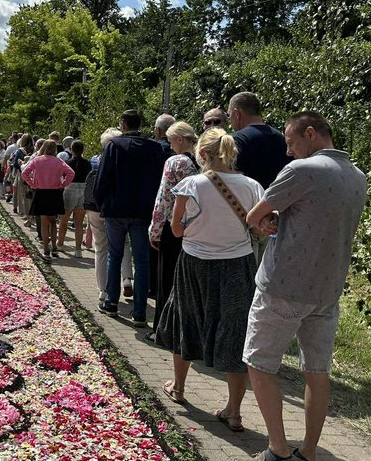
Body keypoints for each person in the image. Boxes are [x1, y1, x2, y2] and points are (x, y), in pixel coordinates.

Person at [232, 112, 367, 461]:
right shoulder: (358, 177)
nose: (289, 154)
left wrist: (264, 223)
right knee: (317, 371)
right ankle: (307, 453)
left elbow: (255, 216)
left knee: (259, 363)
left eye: (291, 144)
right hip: (328, 289)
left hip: (284, 284)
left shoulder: (303, 170)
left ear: (310, 134)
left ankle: (277, 451)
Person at [155, 127, 263, 432]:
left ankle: (178, 386)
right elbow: (259, 225)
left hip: (195, 264)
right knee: (234, 327)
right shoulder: (252, 185)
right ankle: (234, 411)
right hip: (237, 265)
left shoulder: (191, 184)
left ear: (201, 154)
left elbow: (176, 230)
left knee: (186, 319)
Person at [93, 110, 165, 326]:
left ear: (122, 124)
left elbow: (102, 179)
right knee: (142, 261)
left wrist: (101, 205)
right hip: (143, 211)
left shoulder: (114, 146)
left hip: (116, 210)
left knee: (114, 256)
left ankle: (111, 303)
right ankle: (140, 312)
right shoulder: (154, 148)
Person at [148, 121, 200, 341]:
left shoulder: (175, 162)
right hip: (195, 229)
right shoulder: (202, 161)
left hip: (173, 227)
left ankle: (164, 329)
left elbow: (164, 198)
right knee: (189, 283)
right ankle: (188, 332)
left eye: (170, 141)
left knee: (167, 281)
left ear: (179, 139)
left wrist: (155, 229)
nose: (169, 145)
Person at [228, 92, 291, 265]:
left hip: (247, 220)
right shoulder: (282, 138)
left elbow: (231, 182)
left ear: (236, 113)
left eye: (229, 115)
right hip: (278, 219)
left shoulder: (236, 141)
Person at [21, 139, 74, 261]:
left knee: (44, 223)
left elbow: (25, 173)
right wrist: (63, 184)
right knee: (53, 222)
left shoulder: (37, 160)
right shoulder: (58, 161)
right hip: (55, 193)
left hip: (41, 192)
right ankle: (54, 246)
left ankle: (46, 248)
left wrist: (32, 183)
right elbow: (71, 173)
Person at [84, 129, 116, 299]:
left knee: (101, 249)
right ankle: (124, 280)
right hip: (115, 208)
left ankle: (103, 289)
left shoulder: (95, 160)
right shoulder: (122, 161)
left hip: (95, 207)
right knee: (119, 248)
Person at [59, 140, 91, 258]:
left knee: (64, 219)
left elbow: (63, 176)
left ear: (72, 149)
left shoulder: (68, 162)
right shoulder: (87, 163)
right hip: (83, 190)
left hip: (70, 189)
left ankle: (60, 244)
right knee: (79, 223)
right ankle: (78, 250)